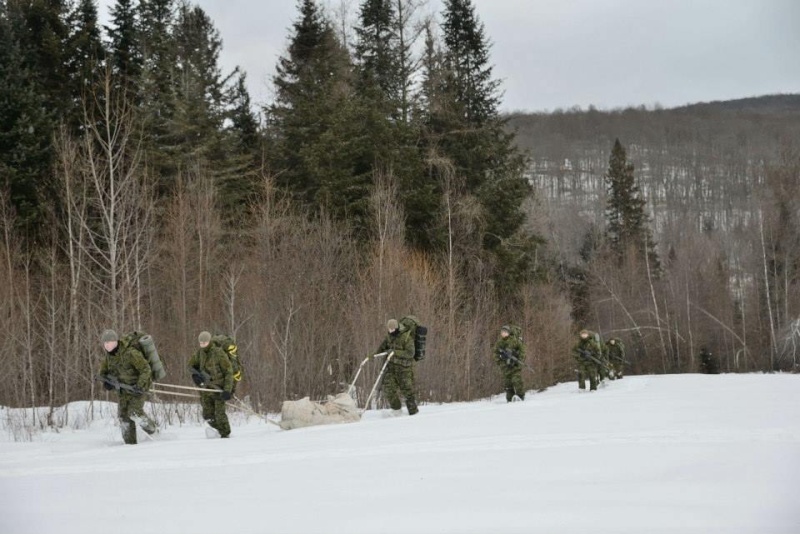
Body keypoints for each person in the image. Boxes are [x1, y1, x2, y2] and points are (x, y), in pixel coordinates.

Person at [97, 329, 156, 444]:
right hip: (122, 391)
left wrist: (140, 385)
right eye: (105, 343)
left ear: (115, 342)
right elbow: (102, 373)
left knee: (134, 413)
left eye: (108, 342)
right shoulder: (109, 358)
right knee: (123, 416)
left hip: (138, 388)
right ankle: (130, 445)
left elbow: (145, 369)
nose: (106, 345)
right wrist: (107, 383)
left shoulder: (130, 353)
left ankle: (153, 431)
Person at [188, 331, 234, 438]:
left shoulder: (218, 353)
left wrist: (227, 389)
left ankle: (225, 435)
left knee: (220, 415)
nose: (202, 345)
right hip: (205, 389)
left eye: (204, 343)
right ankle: (219, 431)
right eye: (201, 343)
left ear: (209, 342)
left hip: (219, 388)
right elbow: (190, 365)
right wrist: (196, 376)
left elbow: (228, 371)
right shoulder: (199, 354)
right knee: (207, 415)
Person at [375, 318, 419, 415]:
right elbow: (382, 348)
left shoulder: (406, 337)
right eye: (389, 329)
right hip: (391, 368)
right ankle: (396, 410)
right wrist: (375, 354)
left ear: (397, 328)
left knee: (407, 391)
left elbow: (410, 353)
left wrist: (395, 352)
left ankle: (414, 413)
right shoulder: (389, 337)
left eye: (392, 329)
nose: (391, 331)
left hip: (404, 369)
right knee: (388, 389)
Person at [493, 325, 526, 402]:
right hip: (505, 366)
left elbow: (522, 350)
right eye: (502, 332)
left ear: (508, 333)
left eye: (505, 332)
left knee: (517, 381)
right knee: (507, 384)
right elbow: (495, 353)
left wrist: (519, 359)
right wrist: (500, 361)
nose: (504, 334)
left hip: (515, 366)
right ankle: (510, 398)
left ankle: (520, 396)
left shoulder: (514, 340)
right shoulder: (499, 343)